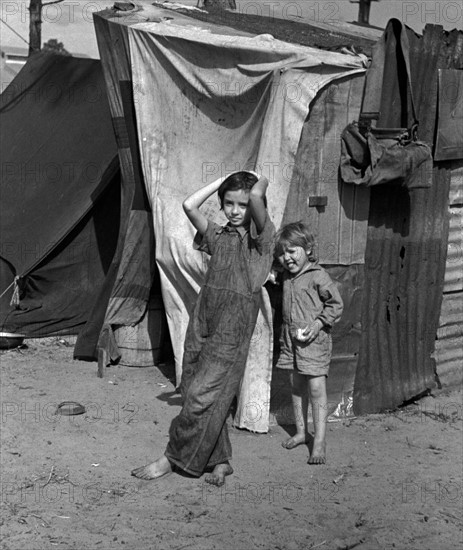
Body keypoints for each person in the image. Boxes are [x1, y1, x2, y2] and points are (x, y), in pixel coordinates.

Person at [132, 170, 275, 485]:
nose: (236, 210)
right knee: (200, 391)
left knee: (200, 396)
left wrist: (259, 178)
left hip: (232, 330)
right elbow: (188, 204)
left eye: (243, 205)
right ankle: (221, 460)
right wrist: (223, 179)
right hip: (203, 319)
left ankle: (171, 458)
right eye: (229, 203)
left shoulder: (261, 239)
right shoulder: (218, 235)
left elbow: (255, 195)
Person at [274, 221, 343, 464]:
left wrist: (317, 324)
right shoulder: (285, 276)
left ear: (309, 249)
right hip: (291, 341)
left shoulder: (318, 276)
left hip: (313, 342)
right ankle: (302, 433)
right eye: (282, 253)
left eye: (292, 251)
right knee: (296, 386)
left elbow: (336, 305)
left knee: (316, 389)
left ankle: (320, 441)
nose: (287, 258)